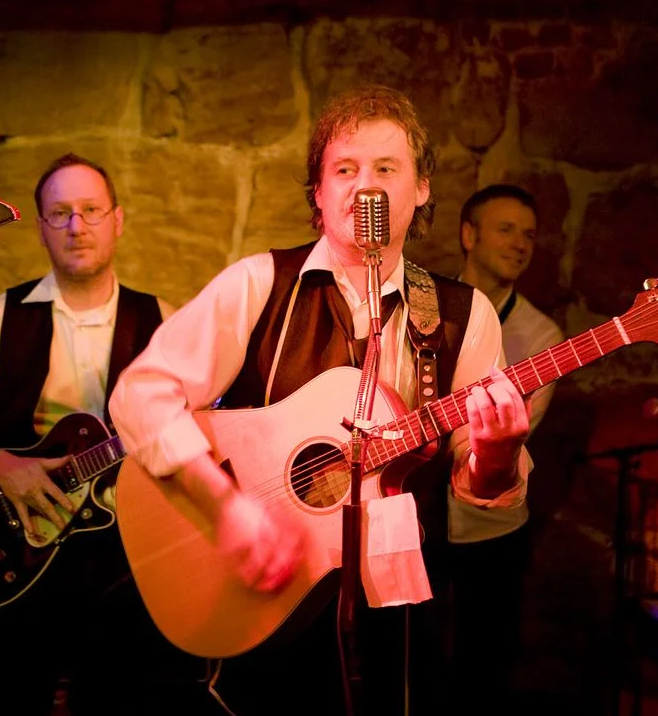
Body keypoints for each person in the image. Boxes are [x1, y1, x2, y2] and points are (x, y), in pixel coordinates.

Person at [108, 85, 532, 715]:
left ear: (422, 190)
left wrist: (496, 455)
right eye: (344, 169)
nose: (365, 185)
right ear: (318, 193)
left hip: (398, 608)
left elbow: (483, 480)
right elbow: (142, 396)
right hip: (268, 590)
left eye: (386, 169)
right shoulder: (259, 285)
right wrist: (224, 510)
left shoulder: (462, 316)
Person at [0, 153, 202, 715]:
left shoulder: (163, 322)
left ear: (117, 220)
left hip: (122, 559)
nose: (78, 226)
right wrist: (5, 467)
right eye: (60, 213)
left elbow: (193, 429)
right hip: (17, 548)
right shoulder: (4, 315)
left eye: (92, 210)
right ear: (42, 228)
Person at [453, 183, 564, 704]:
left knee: (481, 674)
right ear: (468, 235)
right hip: (416, 520)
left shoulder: (543, 338)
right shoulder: (421, 308)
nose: (521, 243)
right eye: (506, 229)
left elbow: (505, 445)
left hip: (490, 531)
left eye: (530, 235)